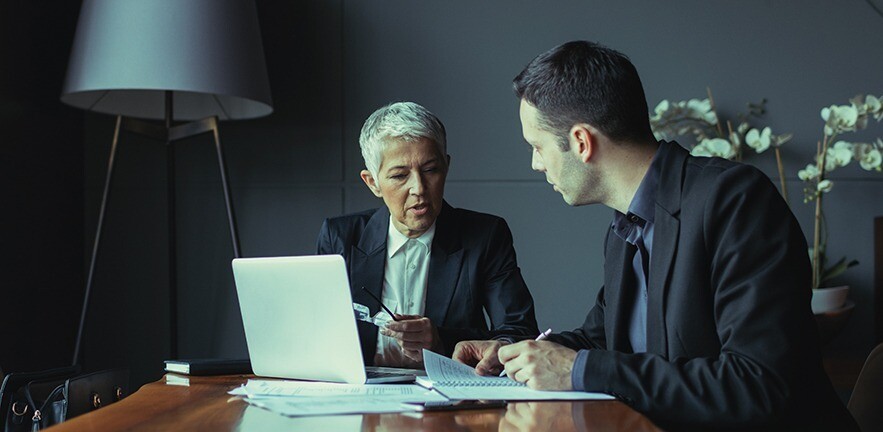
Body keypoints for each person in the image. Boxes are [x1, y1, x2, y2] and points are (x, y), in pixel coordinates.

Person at [453, 41, 858, 430]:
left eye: (537, 147)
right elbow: (599, 339)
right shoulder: (623, 230)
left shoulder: (734, 201)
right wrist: (512, 356)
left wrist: (576, 369)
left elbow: (757, 382)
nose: (535, 164)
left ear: (580, 142)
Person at [317, 101, 538, 368]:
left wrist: (440, 341)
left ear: (446, 167)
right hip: (362, 393)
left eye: (431, 170)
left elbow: (519, 333)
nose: (419, 188)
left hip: (451, 395)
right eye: (400, 176)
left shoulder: (486, 236)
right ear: (373, 182)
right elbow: (318, 332)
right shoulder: (340, 237)